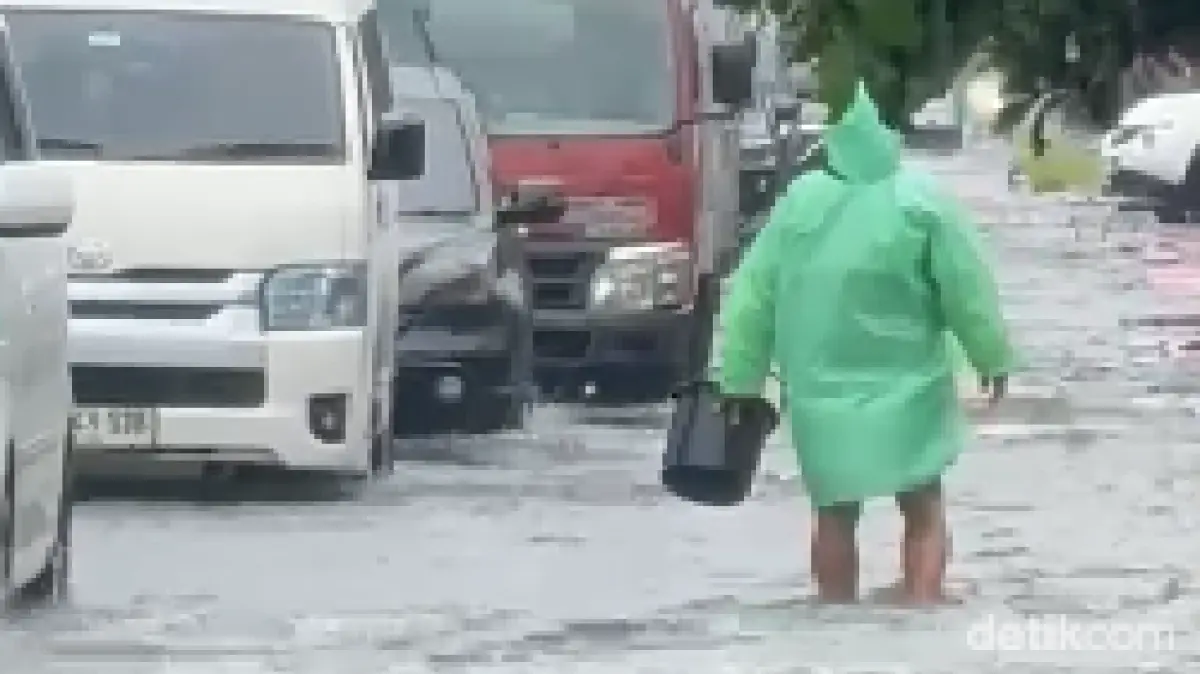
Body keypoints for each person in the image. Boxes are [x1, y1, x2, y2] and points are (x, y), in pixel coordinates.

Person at [717, 81, 1015, 604]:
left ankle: (835, 617)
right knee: (923, 506)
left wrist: (739, 379)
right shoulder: (922, 202)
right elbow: (966, 288)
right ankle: (921, 608)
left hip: (820, 393)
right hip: (911, 387)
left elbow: (752, 297)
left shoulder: (799, 206)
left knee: (834, 514)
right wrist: (991, 356)